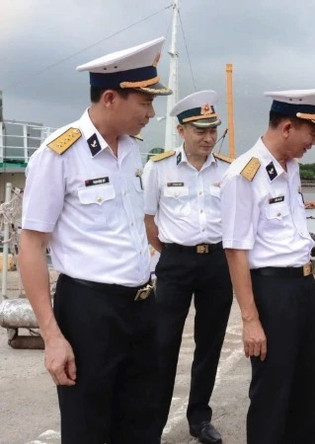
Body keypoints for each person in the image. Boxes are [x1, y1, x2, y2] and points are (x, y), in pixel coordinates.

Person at [18, 37, 172, 443]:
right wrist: (52, 336)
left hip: (141, 307)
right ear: (110, 98)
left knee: (143, 421)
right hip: (90, 313)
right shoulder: (58, 154)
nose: (151, 113)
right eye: (145, 103)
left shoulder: (131, 151)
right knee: (88, 428)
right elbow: (31, 245)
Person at [220, 86, 315, 443]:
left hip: (302, 287)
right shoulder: (245, 174)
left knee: (305, 392)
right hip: (272, 292)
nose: (314, 140)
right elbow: (235, 250)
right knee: (273, 394)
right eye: (311, 131)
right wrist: (251, 319)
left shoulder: (290, 169)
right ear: (287, 128)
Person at [142, 90, 233, 444]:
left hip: (217, 261)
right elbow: (149, 220)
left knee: (209, 344)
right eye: (200, 130)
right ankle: (154, 421)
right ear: (182, 131)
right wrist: (172, 252)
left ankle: (199, 418)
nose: (208, 138)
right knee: (163, 343)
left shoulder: (227, 170)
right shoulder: (158, 168)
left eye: (212, 130)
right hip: (175, 261)